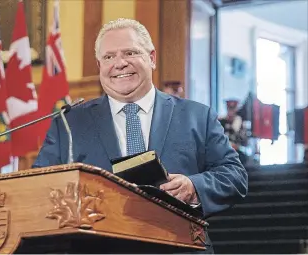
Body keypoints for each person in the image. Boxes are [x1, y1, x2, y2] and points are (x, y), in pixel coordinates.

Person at [32, 18, 247, 253]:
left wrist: (193, 186)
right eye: (109, 57)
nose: (120, 63)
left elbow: (234, 176)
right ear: (99, 65)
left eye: (130, 52)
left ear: (151, 58)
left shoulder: (196, 116)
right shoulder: (69, 123)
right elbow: (38, 188)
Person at [219, 99, 249, 165]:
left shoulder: (241, 123)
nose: (231, 111)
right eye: (229, 109)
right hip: (223, 151)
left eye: (233, 109)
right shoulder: (221, 122)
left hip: (236, 152)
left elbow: (245, 142)